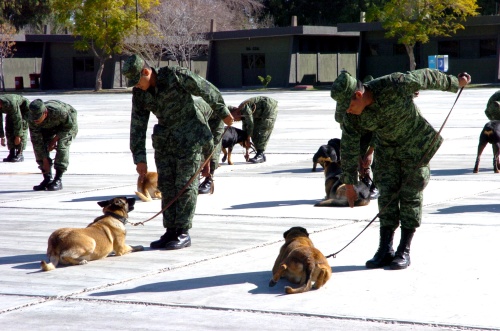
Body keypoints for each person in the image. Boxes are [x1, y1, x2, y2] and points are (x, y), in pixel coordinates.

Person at [330, 69, 471, 270]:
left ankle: (404, 249)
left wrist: (456, 83)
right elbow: (350, 145)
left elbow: (427, 77)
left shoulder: (394, 84)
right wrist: (350, 183)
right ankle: (385, 249)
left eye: (349, 106)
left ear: (359, 95)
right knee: (386, 196)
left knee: (410, 196)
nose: (348, 111)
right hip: (386, 150)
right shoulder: (351, 115)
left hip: (415, 146)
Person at [123, 54, 234, 250]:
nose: (136, 86)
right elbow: (137, 126)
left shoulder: (175, 76)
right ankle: (170, 230)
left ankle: (183, 231)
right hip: (165, 141)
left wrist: (223, 113)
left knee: (185, 185)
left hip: (190, 138)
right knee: (167, 185)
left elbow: (206, 89)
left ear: (146, 72)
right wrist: (139, 158)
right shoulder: (140, 94)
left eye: (137, 81)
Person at [28, 99, 78, 191]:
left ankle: (58, 179)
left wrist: (53, 141)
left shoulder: (59, 111)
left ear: (45, 113)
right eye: (34, 118)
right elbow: (36, 140)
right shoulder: (32, 119)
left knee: (62, 146)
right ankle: (47, 178)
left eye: (38, 117)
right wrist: (44, 158)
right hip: (48, 126)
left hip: (66, 124)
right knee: (38, 148)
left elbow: (67, 127)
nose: (35, 120)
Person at [229, 96, 278, 163]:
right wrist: (246, 141)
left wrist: (248, 139)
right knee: (254, 133)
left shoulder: (243, 107)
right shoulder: (242, 113)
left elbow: (250, 124)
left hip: (268, 107)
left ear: (234, 112)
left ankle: (260, 154)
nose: (234, 121)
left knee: (263, 130)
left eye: (233, 119)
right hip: (259, 113)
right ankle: (259, 153)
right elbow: (245, 127)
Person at [194, 98, 225, 194]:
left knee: (214, 147)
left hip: (216, 118)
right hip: (204, 114)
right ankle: (194, 180)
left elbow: (208, 140)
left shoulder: (195, 116)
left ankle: (209, 179)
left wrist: (207, 165)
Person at [0, 94, 30, 162]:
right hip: (11, 112)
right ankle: (12, 153)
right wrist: (2, 136)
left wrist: (18, 136)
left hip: (24, 111)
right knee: (9, 128)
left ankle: (20, 153)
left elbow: (18, 119)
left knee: (22, 127)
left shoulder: (11, 103)